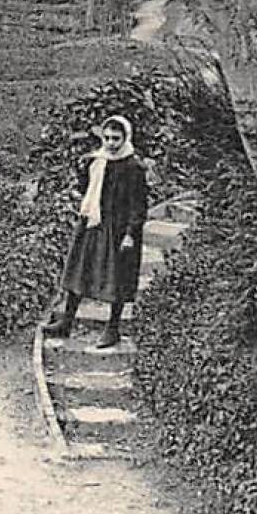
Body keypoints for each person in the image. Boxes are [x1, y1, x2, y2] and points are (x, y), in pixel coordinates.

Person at [42, 115, 149, 348]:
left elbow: (138, 205)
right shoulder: (97, 161)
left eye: (116, 139)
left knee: (116, 278)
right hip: (92, 221)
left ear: (126, 138)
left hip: (118, 230)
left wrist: (130, 234)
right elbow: (85, 189)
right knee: (78, 270)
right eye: (107, 137)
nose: (111, 143)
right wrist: (82, 170)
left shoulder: (133, 167)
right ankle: (66, 321)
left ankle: (113, 328)